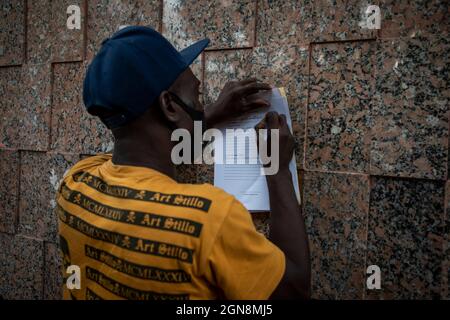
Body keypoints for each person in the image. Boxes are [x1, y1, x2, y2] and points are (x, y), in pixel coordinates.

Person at [56, 26, 310, 300]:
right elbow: (294, 290)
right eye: (197, 95)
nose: (201, 103)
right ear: (169, 106)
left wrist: (204, 116)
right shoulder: (207, 216)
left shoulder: (75, 182)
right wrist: (277, 168)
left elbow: (142, 149)